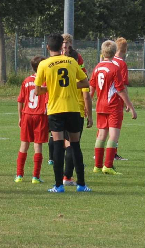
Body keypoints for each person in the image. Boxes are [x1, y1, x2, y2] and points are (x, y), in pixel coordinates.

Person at [35, 34, 92, 193]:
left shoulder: (44, 64)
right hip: (73, 109)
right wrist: (72, 86)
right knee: (75, 145)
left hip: (55, 110)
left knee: (58, 145)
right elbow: (85, 82)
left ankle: (59, 185)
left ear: (48, 47)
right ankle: (81, 185)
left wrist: (51, 87)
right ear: (62, 47)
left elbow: (37, 90)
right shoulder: (72, 61)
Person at [91, 40, 137, 175]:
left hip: (100, 106)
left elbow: (91, 88)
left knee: (101, 135)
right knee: (113, 136)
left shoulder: (97, 67)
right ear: (114, 51)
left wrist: (86, 104)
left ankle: (97, 166)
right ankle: (108, 166)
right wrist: (130, 106)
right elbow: (120, 89)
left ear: (102, 52)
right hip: (113, 106)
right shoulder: (115, 68)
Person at [60, 33, 92, 186]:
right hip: (74, 110)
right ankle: (67, 176)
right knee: (73, 144)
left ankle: (65, 177)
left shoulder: (58, 68)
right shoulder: (79, 73)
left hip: (60, 108)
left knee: (66, 144)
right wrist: (89, 115)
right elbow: (86, 94)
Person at [15, 55, 49, 183]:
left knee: (24, 144)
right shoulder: (46, 82)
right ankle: (35, 177)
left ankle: (19, 175)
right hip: (40, 116)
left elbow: (20, 100)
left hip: (27, 115)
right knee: (37, 145)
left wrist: (20, 117)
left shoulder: (26, 80)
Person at [112, 37, 131, 161]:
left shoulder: (107, 60)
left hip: (104, 98)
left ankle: (98, 153)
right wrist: (127, 102)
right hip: (117, 99)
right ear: (125, 49)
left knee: (103, 129)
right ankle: (113, 154)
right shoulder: (122, 64)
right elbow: (123, 85)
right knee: (115, 128)